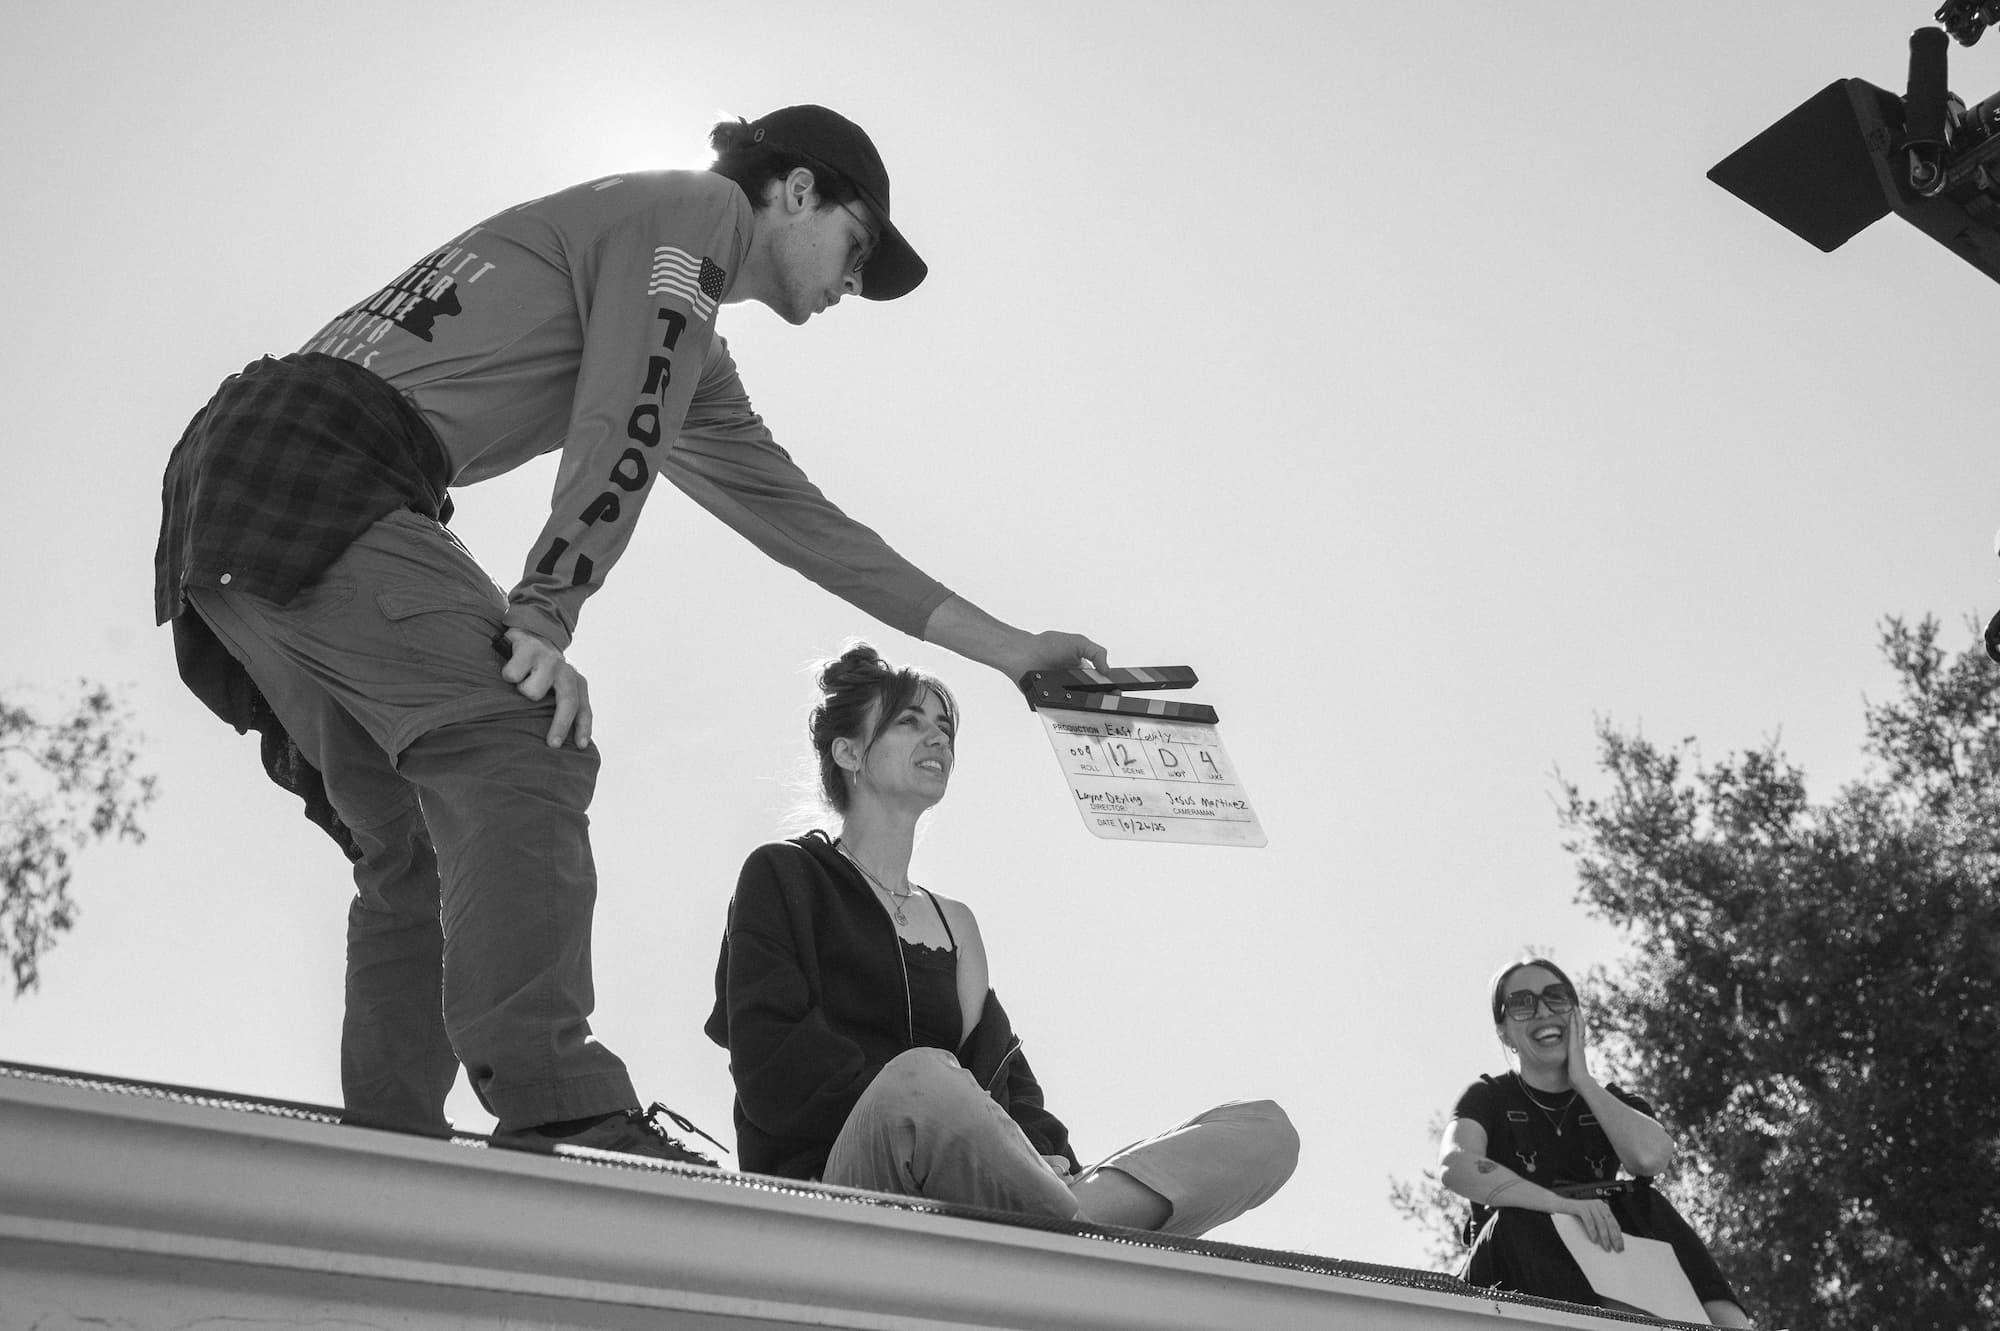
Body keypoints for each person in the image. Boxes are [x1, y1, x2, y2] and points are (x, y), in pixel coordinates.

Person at [152, 106, 1106, 1161]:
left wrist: (1012, 649)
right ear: (794, 191)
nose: (850, 282)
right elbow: (624, 421)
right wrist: (544, 608)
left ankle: (390, 1149)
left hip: (240, 489)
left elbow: (813, 531)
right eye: (856, 243)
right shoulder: (688, 218)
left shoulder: (683, 332)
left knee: (414, 843)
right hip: (324, 461)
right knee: (522, 739)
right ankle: (561, 1099)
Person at [704, 644, 1297, 1233]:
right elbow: (773, 1065)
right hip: (837, 1192)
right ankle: (1084, 1236)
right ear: (848, 752)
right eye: (909, 722)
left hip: (979, 1196)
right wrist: (979, 1137)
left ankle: (1066, 1226)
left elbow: (1006, 1083)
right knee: (923, 1080)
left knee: (1263, 1133)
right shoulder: (785, 874)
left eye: (945, 729)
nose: (937, 739)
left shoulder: (956, 923)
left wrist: (1041, 1158)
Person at [1436, 958, 1751, 1327]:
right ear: (1503, 1032)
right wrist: (1560, 1205)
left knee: (1645, 1202)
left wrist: (1583, 1081)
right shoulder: (1488, 1097)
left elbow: (1651, 1158)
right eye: (1522, 1003)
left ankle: (1731, 1326)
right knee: (1517, 1219)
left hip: (1608, 1269)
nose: (1542, 1011)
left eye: (1557, 998)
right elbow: (1454, 1165)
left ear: (1578, 1016)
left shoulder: (1610, 1102)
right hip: (1505, 1282)